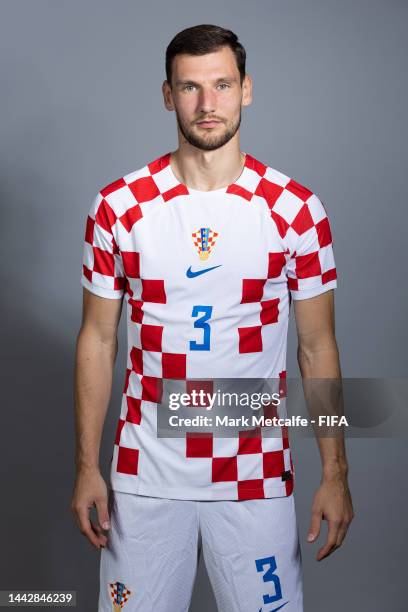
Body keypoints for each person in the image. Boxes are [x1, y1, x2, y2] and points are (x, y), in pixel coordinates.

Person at [71, 24, 354, 612]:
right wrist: (86, 467)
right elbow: (98, 340)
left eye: (222, 85)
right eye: (190, 88)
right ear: (168, 94)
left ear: (246, 89)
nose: (207, 104)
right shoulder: (119, 207)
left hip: (255, 477)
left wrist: (335, 471)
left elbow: (317, 348)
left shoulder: (296, 210)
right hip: (144, 479)